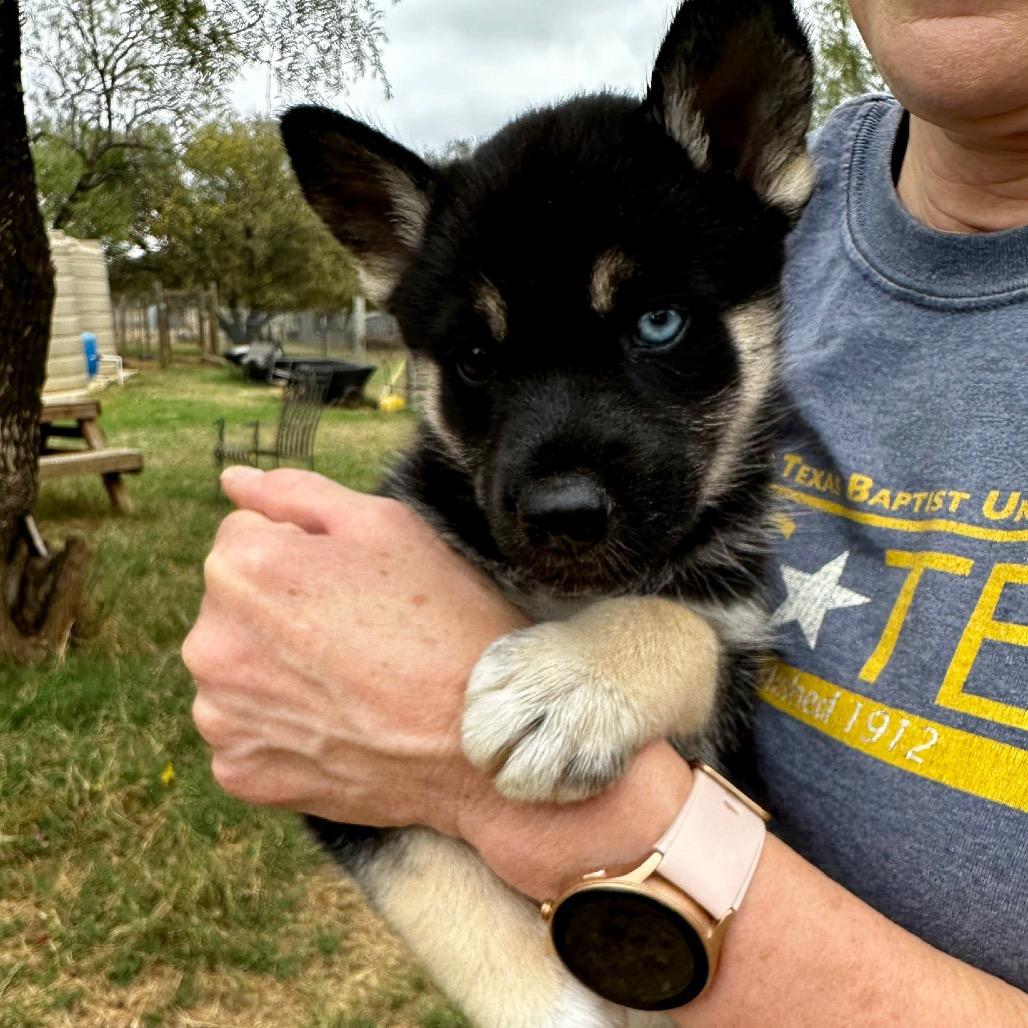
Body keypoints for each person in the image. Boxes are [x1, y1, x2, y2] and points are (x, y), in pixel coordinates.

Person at [184, 1, 1028, 1022]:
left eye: (656, 322)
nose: (560, 474)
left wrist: (485, 767)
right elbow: (349, 792)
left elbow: (699, 666)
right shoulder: (429, 526)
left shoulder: (719, 202)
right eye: (480, 361)